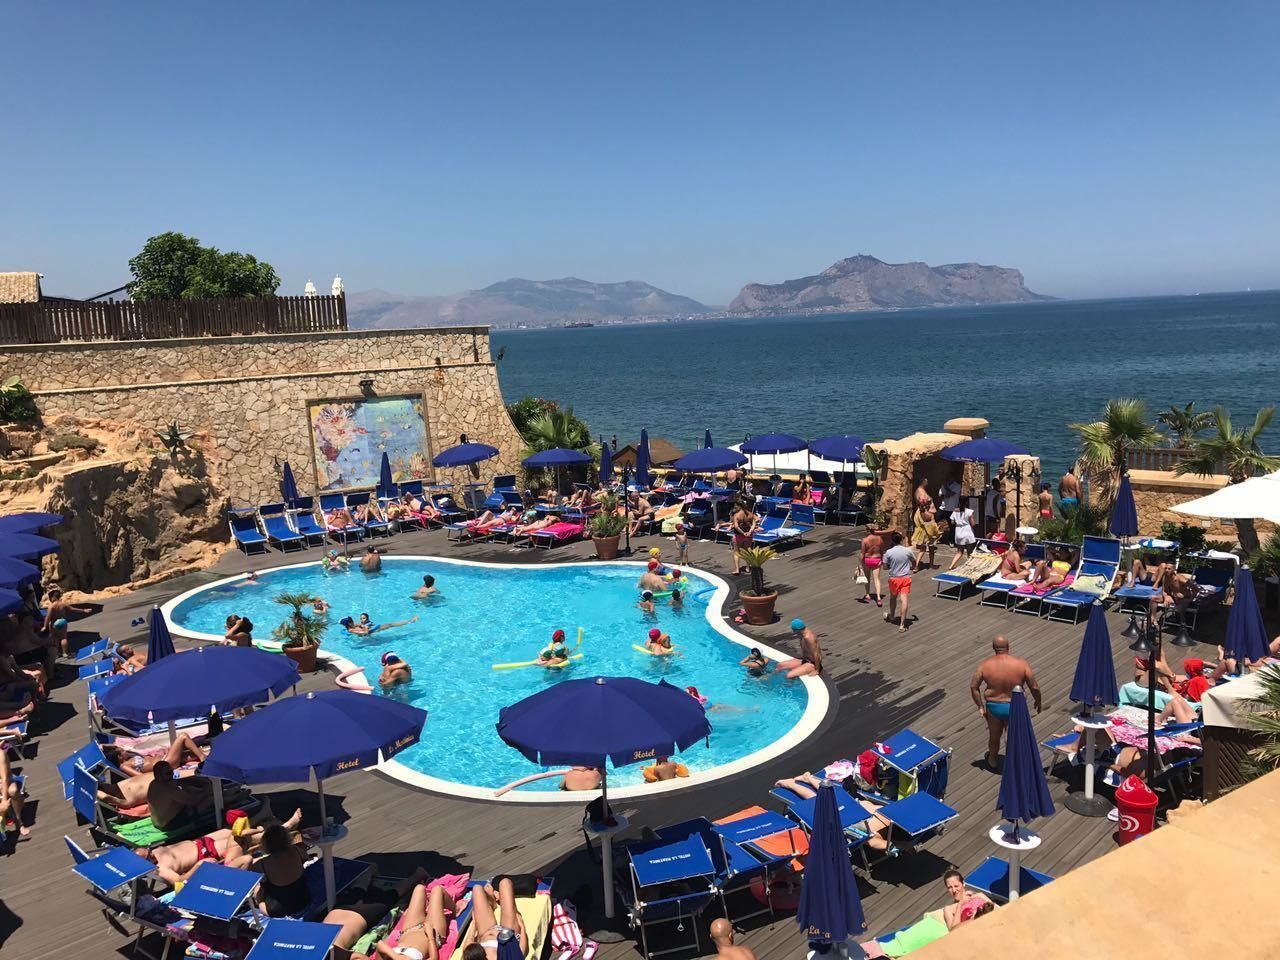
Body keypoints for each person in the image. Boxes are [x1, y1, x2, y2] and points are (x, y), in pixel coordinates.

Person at [148, 805, 304, 883]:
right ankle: (285, 828)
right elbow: (179, 881)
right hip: (205, 854)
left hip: (201, 841)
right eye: (149, 856)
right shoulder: (161, 870)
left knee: (235, 829)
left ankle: (271, 825)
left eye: (148, 850)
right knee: (239, 837)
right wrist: (198, 866)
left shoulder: (152, 852)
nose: (151, 853)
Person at [322, 866, 432, 954]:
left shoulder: (332, 953)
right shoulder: (315, 947)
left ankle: (419, 874)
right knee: (357, 891)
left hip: (361, 915)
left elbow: (357, 956)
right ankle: (370, 870)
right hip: (338, 911)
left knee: (391, 896)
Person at [970, 636, 1042, 770]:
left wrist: (980, 706)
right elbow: (1034, 687)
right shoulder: (1021, 664)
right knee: (1011, 736)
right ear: (1008, 647)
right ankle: (1013, 762)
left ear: (994, 648)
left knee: (994, 736)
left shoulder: (985, 665)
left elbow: (974, 687)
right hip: (1015, 706)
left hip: (994, 706)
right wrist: (1038, 701)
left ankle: (992, 760)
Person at [254, 822, 311, 917]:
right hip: (303, 900)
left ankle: (259, 905)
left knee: (257, 888)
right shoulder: (296, 850)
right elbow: (306, 857)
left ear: (266, 843)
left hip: (278, 908)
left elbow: (252, 873)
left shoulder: (262, 864)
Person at [146, 760, 216, 830]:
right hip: (169, 824)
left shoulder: (153, 783)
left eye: (172, 771)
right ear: (158, 775)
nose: (172, 774)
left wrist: (198, 780)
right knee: (209, 800)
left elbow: (179, 782)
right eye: (169, 773)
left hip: (157, 822)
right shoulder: (168, 788)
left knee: (190, 789)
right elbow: (192, 801)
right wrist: (206, 791)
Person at [104, 731, 206, 776]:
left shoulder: (128, 759)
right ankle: (203, 758)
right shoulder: (124, 766)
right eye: (122, 751)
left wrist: (106, 747)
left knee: (196, 753)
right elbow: (140, 776)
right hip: (166, 764)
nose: (125, 750)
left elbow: (112, 747)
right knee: (183, 736)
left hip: (166, 759)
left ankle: (204, 756)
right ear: (119, 757)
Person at [882, 533, 917, 632]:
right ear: (901, 540)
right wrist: (911, 567)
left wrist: (891, 566)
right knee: (904, 599)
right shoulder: (907, 551)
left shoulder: (888, 552)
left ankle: (892, 616)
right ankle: (902, 625)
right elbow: (914, 562)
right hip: (905, 578)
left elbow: (885, 567)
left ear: (892, 540)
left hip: (894, 579)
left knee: (893, 598)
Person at [911, 499, 943, 570]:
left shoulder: (918, 513)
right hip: (929, 535)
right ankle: (931, 565)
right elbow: (934, 526)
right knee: (931, 549)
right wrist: (938, 532)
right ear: (927, 506)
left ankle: (916, 565)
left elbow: (916, 522)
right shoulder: (930, 515)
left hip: (922, 534)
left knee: (922, 550)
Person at [946, 500, 976, 570]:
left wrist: (958, 521)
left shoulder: (955, 511)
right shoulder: (969, 511)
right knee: (970, 551)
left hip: (958, 531)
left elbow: (952, 522)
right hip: (967, 531)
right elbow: (973, 523)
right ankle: (969, 567)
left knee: (959, 551)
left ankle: (951, 566)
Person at [857, 530, 884, 607]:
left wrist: (859, 564)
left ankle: (868, 594)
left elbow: (862, 553)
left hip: (867, 560)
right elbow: (882, 550)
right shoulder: (879, 539)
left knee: (867, 578)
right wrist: (882, 560)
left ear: (867, 532)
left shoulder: (865, 540)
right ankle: (878, 598)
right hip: (876, 559)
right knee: (877, 579)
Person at [730, 500, 758, 575]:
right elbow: (754, 524)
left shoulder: (736, 515)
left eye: (736, 506)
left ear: (740, 506)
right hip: (749, 536)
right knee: (747, 551)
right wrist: (750, 532)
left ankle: (737, 569)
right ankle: (748, 568)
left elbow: (736, 526)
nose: (735, 507)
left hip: (739, 535)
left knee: (736, 552)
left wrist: (743, 533)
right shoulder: (750, 514)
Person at [339, 613, 419, 636]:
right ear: (349, 623)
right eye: (351, 620)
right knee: (391, 624)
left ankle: (409, 622)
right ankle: (411, 621)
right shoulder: (351, 630)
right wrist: (365, 627)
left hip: (372, 629)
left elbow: (359, 625)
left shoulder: (352, 626)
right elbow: (365, 633)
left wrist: (362, 625)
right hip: (373, 631)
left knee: (391, 625)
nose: (353, 621)